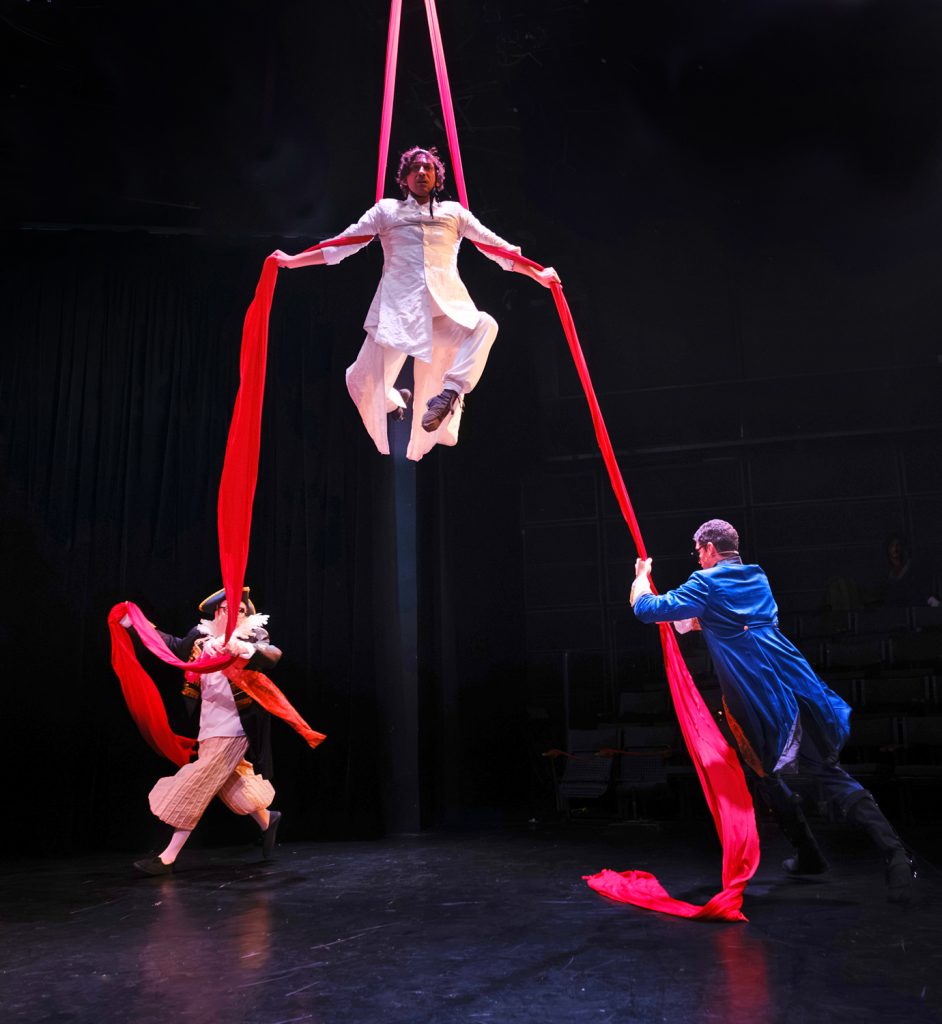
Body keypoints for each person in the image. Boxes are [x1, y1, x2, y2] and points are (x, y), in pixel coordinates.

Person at [629, 518, 915, 904]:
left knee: (782, 772)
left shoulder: (706, 583)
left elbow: (646, 609)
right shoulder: (757, 578)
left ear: (710, 549)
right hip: (794, 685)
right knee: (799, 772)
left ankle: (852, 853)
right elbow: (723, 621)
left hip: (763, 697)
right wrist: (693, 619)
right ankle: (853, 855)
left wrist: (641, 575)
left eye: (699, 552)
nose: (698, 559)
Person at [271, 146, 560, 461]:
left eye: (428, 168)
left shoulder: (454, 213)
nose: (422, 172)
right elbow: (343, 244)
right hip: (399, 319)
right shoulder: (386, 211)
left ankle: (450, 393)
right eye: (415, 168)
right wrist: (293, 261)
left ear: (437, 177)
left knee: (486, 324)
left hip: (445, 316)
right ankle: (395, 401)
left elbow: (497, 248)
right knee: (359, 382)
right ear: (404, 178)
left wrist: (538, 274)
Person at [122, 587, 287, 875]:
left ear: (246, 614)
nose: (231, 614)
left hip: (236, 727)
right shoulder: (201, 638)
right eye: (225, 609)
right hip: (209, 726)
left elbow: (271, 655)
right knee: (231, 782)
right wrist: (138, 626)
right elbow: (172, 645)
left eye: (238, 610)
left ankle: (168, 857)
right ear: (216, 613)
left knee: (197, 784)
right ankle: (267, 819)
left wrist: (242, 649)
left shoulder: (251, 636)